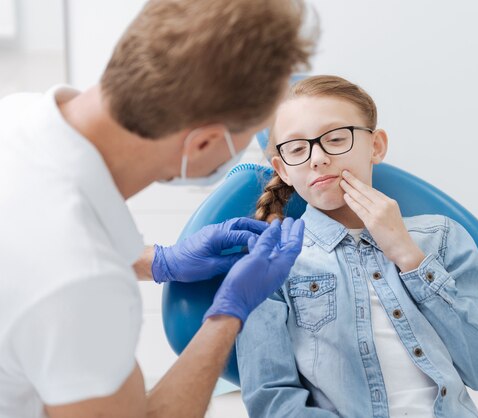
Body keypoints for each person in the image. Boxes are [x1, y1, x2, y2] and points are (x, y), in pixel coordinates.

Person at [0, 0, 317, 417]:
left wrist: (155, 261)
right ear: (202, 143)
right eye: (247, 139)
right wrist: (229, 312)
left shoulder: (16, 113)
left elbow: (31, 255)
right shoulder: (83, 284)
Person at [237, 75, 478, 418]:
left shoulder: (440, 237)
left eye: (336, 139)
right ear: (283, 170)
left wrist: (409, 257)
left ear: (376, 146)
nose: (317, 158)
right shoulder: (270, 263)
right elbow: (272, 402)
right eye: (296, 149)